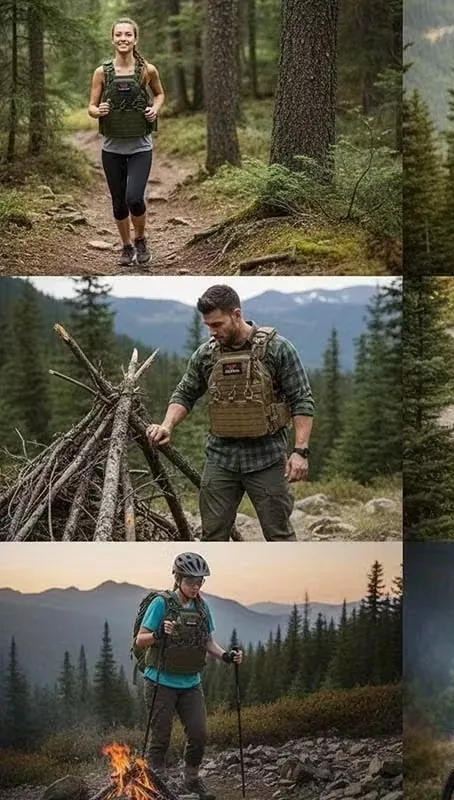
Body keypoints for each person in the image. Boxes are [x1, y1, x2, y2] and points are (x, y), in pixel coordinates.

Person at [147, 284, 314, 541]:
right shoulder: (206, 355)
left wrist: (300, 451)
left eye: (217, 324)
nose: (212, 332)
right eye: (208, 326)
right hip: (221, 459)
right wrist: (167, 425)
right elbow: (185, 393)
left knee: (279, 535)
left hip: (267, 458)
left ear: (236, 314)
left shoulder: (277, 349)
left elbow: (301, 398)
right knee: (213, 535)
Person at [135, 552, 243, 800]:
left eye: (200, 581)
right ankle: (156, 785)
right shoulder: (161, 604)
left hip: (191, 682)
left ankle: (192, 780)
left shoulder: (202, 607)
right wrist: (159, 635)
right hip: (160, 681)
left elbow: (207, 641)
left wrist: (226, 656)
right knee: (160, 737)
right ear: (178, 578)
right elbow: (140, 640)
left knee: (198, 733)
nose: (196, 586)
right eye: (191, 581)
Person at [88, 17, 164, 267]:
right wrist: (97, 111)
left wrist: (155, 108)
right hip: (112, 149)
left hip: (141, 146)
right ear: (112, 38)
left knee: (134, 198)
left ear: (135, 39)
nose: (123, 39)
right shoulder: (102, 72)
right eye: (118, 34)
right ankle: (126, 246)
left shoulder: (147, 70)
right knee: (119, 203)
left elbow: (160, 94)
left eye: (128, 35)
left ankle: (140, 238)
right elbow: (91, 106)